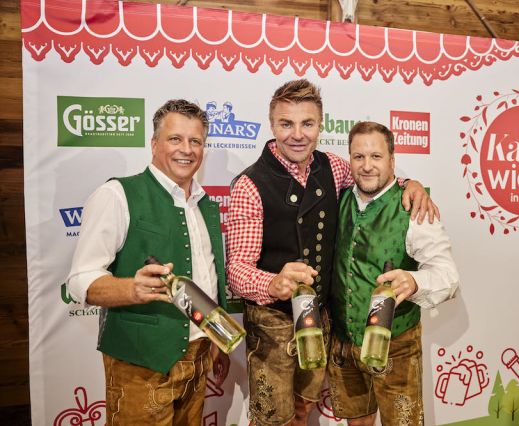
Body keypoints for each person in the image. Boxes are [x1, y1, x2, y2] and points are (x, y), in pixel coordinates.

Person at [226, 79, 437, 426]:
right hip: (273, 324)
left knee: (301, 410)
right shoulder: (251, 184)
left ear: (321, 126)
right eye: (286, 123)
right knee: (272, 419)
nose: (297, 134)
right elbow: (236, 269)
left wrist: (409, 184)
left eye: (307, 123)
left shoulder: (335, 167)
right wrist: (273, 283)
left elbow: (373, 178)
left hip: (320, 320)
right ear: (272, 124)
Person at [67, 99, 230, 425]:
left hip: (199, 358)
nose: (186, 149)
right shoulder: (117, 194)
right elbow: (80, 280)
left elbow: (207, 278)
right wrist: (131, 289)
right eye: (175, 139)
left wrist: (216, 337)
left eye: (195, 141)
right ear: (154, 144)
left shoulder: (206, 205)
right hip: (141, 364)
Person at [327, 121, 460, 425]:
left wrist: (415, 281)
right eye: (359, 157)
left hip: (396, 346)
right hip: (344, 343)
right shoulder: (341, 197)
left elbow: (448, 275)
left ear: (392, 161)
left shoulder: (413, 207)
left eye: (376, 157)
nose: (367, 166)